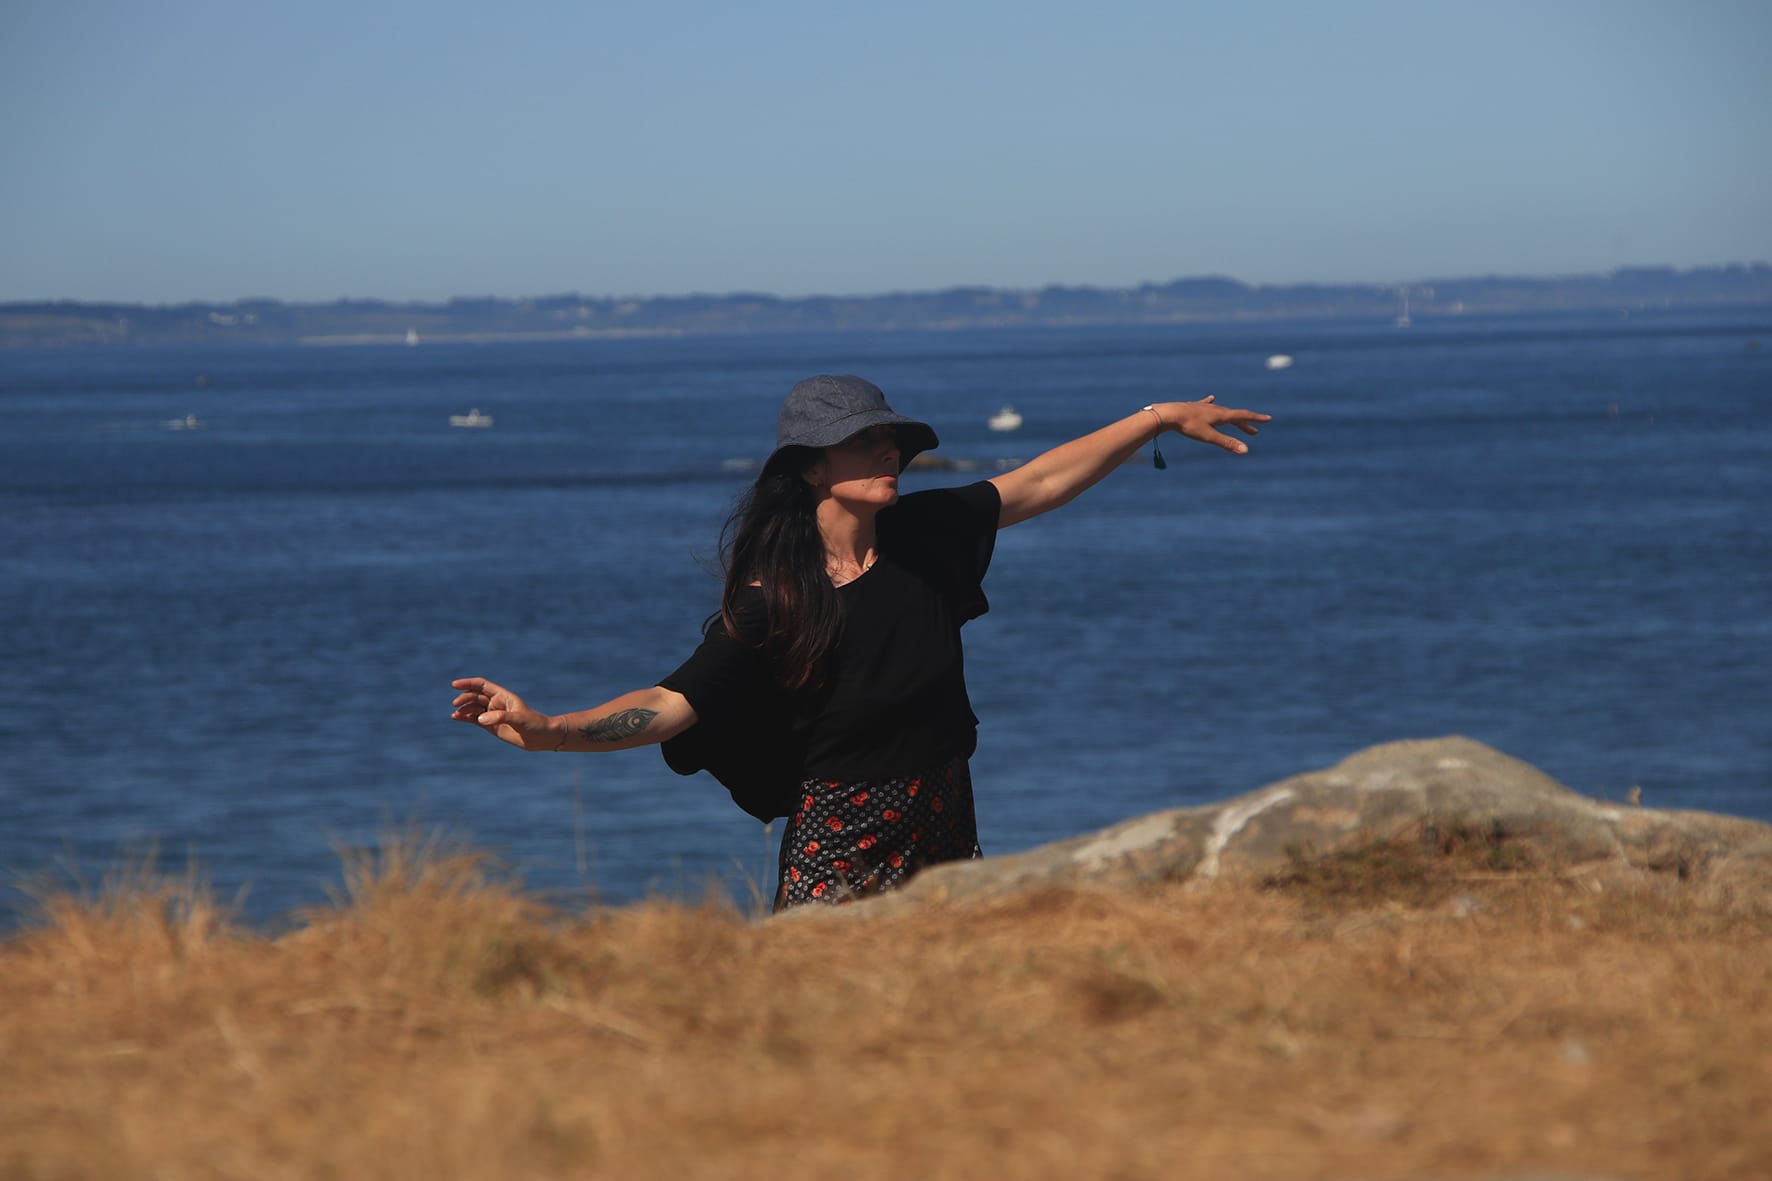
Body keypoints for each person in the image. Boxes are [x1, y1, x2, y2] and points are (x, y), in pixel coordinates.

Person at [451, 374, 1269, 909]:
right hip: (843, 839)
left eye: (893, 442)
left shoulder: (925, 533)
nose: (891, 453)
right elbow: (671, 704)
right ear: (810, 468)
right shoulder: (776, 599)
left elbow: (1041, 480)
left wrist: (1159, 415)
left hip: (947, 816)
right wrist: (548, 730)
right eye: (865, 443)